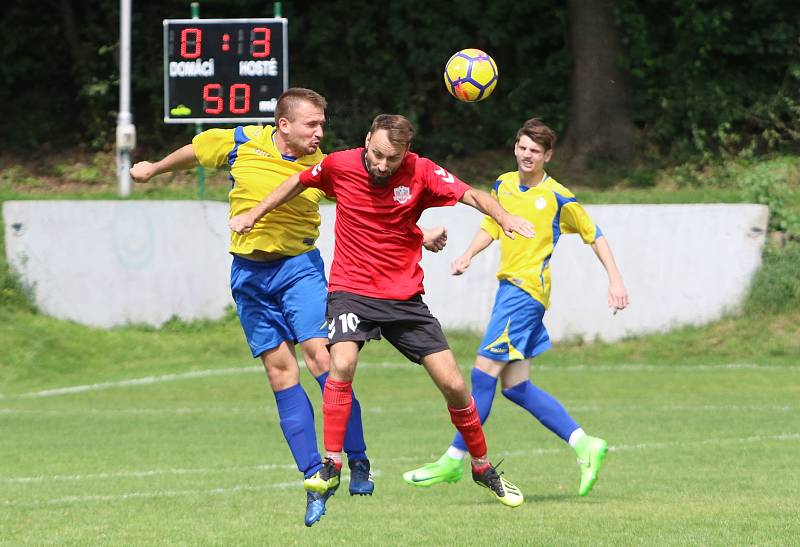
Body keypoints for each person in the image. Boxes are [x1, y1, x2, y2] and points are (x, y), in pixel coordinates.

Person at [229, 114, 536, 513]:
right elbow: (295, 182)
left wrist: (505, 217)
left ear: (405, 153)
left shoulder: (421, 171)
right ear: (367, 140)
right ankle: (332, 463)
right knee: (341, 363)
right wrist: (255, 213)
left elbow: (473, 194)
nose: (382, 165)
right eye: (376, 155)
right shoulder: (340, 164)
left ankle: (481, 467)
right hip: (351, 292)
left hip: (404, 298)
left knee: (456, 386)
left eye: (392, 159)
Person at [129, 88, 407, 527]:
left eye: (322, 123)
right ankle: (314, 474)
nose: (320, 131)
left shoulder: (324, 167)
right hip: (248, 277)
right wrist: (154, 167)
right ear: (283, 125)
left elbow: (376, 205)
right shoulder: (241, 143)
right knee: (280, 372)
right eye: (311, 124)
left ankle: (357, 459)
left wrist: (419, 230)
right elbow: (197, 150)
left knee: (324, 358)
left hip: (300, 270)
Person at [402, 118, 630, 497]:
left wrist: (616, 279)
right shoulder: (503, 185)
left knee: (481, 376)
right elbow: (493, 225)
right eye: (523, 147)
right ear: (516, 148)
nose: (527, 155)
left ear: (548, 156)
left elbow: (595, 235)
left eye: (535, 151)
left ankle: (454, 460)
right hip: (510, 291)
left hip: (525, 294)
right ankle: (584, 444)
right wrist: (467, 255)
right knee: (517, 387)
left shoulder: (558, 196)